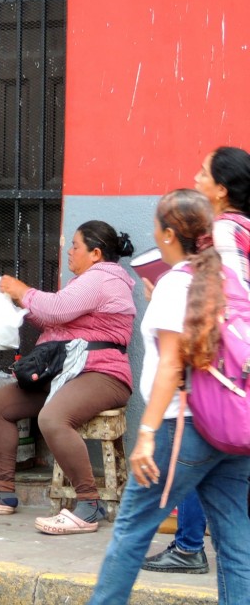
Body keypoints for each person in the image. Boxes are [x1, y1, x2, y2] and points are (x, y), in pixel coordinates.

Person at [86, 189, 250, 604]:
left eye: (157, 227)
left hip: (183, 429)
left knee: (131, 531)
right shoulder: (226, 278)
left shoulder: (176, 283)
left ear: (169, 234)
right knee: (236, 544)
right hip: (232, 426)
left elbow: (171, 366)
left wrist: (146, 434)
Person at [0, 220, 136, 534]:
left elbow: (56, 309)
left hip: (102, 374)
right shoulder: (87, 281)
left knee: (52, 418)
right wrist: (18, 302)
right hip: (69, 372)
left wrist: (22, 291)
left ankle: (89, 504)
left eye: (75, 245)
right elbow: (55, 320)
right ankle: (1, 492)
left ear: (95, 253)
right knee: (0, 403)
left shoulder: (103, 278)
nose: (69, 251)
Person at [143, 146, 250, 575]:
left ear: (221, 189)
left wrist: (173, 297)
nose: (196, 177)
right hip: (238, 374)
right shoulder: (245, 227)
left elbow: (233, 299)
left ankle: (188, 545)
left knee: (190, 441)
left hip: (222, 367)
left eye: (203, 173)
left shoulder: (222, 231)